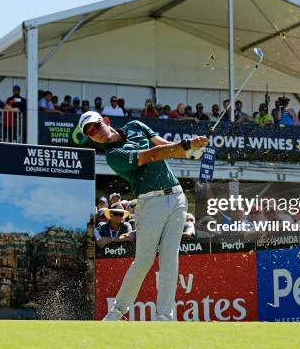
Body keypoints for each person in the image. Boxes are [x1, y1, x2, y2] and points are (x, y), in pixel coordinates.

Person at [78, 111, 208, 321]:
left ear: (107, 121)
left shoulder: (135, 125)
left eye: (96, 126)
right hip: (150, 203)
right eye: (90, 133)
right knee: (144, 260)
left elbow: (163, 144)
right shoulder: (113, 156)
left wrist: (191, 152)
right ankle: (118, 311)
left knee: (169, 259)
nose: (96, 133)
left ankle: (165, 316)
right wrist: (186, 145)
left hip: (177, 197)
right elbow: (151, 155)